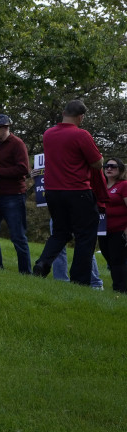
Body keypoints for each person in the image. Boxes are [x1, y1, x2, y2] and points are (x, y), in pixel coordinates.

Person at [32, 100, 110, 286]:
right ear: (81, 116)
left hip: (52, 191)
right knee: (85, 236)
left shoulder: (48, 134)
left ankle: (42, 263)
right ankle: (79, 280)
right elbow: (98, 163)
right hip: (77, 190)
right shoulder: (81, 135)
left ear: (63, 112)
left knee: (60, 232)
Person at [0, 113, 32, 273]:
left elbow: (24, 170)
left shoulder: (17, 144)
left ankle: (25, 273)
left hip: (14, 196)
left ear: (6, 128)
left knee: (18, 237)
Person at [97, 157, 127, 292]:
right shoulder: (101, 185)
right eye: (106, 166)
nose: (109, 168)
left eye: (113, 166)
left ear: (120, 170)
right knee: (110, 259)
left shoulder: (124, 185)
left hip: (120, 230)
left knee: (117, 261)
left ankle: (120, 290)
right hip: (103, 230)